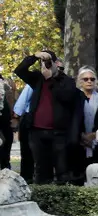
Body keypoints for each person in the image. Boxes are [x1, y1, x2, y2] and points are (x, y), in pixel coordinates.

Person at [14, 50, 79, 184]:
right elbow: (19, 70)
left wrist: (51, 79)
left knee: (61, 169)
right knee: (41, 169)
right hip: (36, 132)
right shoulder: (38, 79)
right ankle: (42, 193)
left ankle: (61, 192)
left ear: (56, 64)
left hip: (58, 133)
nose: (46, 66)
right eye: (43, 63)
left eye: (49, 63)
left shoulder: (67, 81)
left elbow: (67, 97)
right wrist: (34, 57)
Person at [70, 66, 98, 183]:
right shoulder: (74, 98)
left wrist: (94, 134)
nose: (89, 81)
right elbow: (71, 118)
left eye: (92, 79)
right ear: (80, 81)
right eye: (85, 79)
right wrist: (81, 135)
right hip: (78, 140)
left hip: (97, 139)